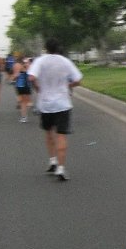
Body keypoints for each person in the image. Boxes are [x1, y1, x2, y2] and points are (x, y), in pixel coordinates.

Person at [28, 39, 82, 181]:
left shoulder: (40, 61)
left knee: (49, 132)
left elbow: (31, 77)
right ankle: (61, 168)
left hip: (45, 103)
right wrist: (69, 85)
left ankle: (52, 160)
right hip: (63, 103)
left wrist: (37, 87)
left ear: (46, 48)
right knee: (61, 135)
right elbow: (78, 79)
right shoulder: (65, 61)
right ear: (59, 48)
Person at [12, 56, 32, 123]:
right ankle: (24, 114)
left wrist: (13, 78)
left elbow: (16, 75)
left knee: (23, 102)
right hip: (27, 85)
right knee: (26, 101)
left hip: (20, 85)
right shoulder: (29, 65)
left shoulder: (17, 65)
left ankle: (24, 116)